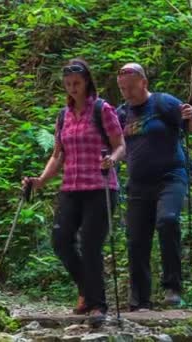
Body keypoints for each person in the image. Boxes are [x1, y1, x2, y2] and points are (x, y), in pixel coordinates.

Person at [23, 58, 126, 321]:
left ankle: (98, 305)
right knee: (60, 241)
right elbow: (58, 155)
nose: (72, 88)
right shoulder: (63, 115)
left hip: (100, 186)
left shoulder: (103, 110)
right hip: (71, 187)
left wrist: (112, 160)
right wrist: (41, 181)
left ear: (87, 82)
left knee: (91, 245)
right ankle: (86, 289)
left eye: (77, 83)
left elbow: (120, 145)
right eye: (68, 84)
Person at [116, 62, 192, 311]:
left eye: (131, 88)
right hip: (138, 185)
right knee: (136, 238)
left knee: (167, 220)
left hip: (171, 177)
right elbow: (115, 146)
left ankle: (172, 288)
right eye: (123, 89)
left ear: (143, 83)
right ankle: (140, 298)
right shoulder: (121, 114)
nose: (127, 93)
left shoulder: (163, 103)